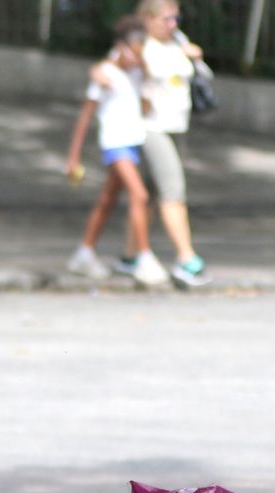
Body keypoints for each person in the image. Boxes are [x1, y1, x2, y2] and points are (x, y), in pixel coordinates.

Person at [64, 16, 168, 287]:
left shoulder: (137, 73)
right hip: (115, 143)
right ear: (121, 47)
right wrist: (73, 157)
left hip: (132, 142)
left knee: (108, 199)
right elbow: (85, 116)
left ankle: (84, 252)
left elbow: (146, 107)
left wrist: (144, 74)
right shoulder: (105, 75)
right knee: (140, 194)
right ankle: (144, 258)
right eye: (134, 47)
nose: (138, 53)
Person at [119, 0, 211, 288]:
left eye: (176, 19)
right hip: (152, 127)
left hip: (175, 126)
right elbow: (129, 70)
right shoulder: (139, 45)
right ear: (147, 19)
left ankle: (131, 255)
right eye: (167, 19)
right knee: (173, 190)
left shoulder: (176, 42)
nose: (173, 25)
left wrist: (193, 56)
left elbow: (204, 76)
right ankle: (187, 259)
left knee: (149, 193)